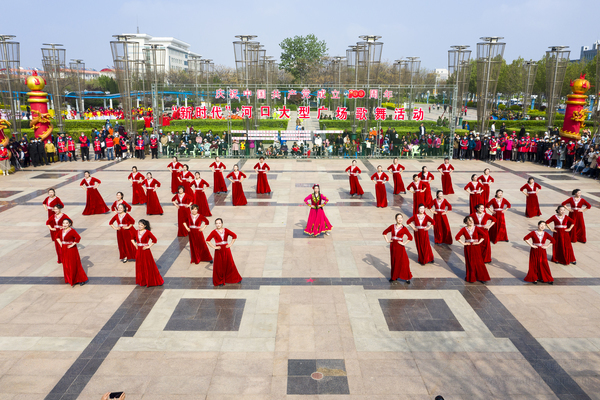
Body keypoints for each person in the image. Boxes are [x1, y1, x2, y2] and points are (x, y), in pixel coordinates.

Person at [206, 218, 243, 286]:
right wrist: (214, 247)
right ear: (215, 224)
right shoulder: (213, 232)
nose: (218, 224)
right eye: (216, 223)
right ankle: (219, 280)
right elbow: (208, 240)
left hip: (226, 250)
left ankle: (234, 278)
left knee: (230, 263)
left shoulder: (226, 230)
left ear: (222, 223)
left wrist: (230, 244)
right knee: (219, 266)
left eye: (219, 223)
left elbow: (234, 236)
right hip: (218, 251)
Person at [455, 216, 490, 283]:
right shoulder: (463, 229)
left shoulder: (476, 228)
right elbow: (457, 237)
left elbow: (484, 235)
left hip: (476, 247)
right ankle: (471, 277)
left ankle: (482, 277)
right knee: (470, 262)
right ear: (466, 222)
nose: (471, 222)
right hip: (468, 247)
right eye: (469, 220)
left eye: (472, 220)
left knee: (479, 261)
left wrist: (479, 242)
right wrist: (463, 243)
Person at [382, 213, 413, 283]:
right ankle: (394, 276)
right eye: (398, 218)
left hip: (400, 247)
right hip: (393, 246)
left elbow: (410, 237)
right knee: (394, 261)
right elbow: (384, 232)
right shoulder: (392, 226)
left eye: (401, 218)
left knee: (404, 261)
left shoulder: (404, 228)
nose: (400, 219)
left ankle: (407, 277)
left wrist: (404, 243)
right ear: (396, 219)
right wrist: (387, 240)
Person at [131, 219, 164, 287]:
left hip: (145, 251)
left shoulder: (147, 232)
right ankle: (142, 280)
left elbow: (154, 240)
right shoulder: (136, 231)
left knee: (147, 265)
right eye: (139, 224)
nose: (139, 226)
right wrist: (135, 244)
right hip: (138, 251)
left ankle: (149, 280)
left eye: (141, 225)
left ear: (145, 226)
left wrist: (148, 246)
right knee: (140, 265)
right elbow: (132, 238)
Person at [57, 218, 88, 286]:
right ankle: (70, 278)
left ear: (69, 224)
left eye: (66, 223)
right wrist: (61, 244)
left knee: (74, 263)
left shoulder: (72, 231)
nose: (65, 224)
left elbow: (78, 238)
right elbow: (57, 237)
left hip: (72, 249)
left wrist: (72, 244)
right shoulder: (61, 231)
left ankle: (80, 279)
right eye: (64, 223)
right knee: (66, 264)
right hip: (64, 249)